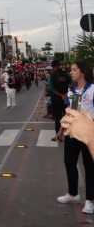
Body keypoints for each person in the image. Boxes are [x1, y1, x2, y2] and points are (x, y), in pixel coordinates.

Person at [56, 61, 94, 214]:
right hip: (72, 132)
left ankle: (90, 200)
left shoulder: (92, 89)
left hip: (88, 132)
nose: (71, 72)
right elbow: (68, 112)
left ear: (82, 72)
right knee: (69, 162)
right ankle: (73, 194)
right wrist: (60, 130)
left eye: (73, 70)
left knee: (89, 167)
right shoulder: (71, 90)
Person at [50, 60, 70, 139]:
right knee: (67, 116)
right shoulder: (66, 74)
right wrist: (65, 94)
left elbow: (51, 88)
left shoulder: (51, 76)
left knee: (57, 117)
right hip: (66, 99)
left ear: (53, 66)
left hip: (56, 99)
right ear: (59, 65)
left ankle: (58, 136)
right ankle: (68, 134)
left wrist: (60, 95)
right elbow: (71, 84)